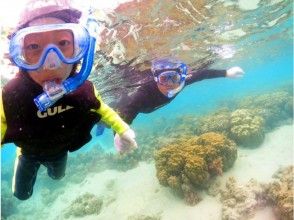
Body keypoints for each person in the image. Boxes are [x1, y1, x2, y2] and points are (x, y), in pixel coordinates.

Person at [0, 0, 137, 201]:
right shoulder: (12, 95)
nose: (51, 63)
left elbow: (102, 109)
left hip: (60, 151)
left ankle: (52, 170)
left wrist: (122, 129)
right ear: (19, 55)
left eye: (63, 43)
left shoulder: (83, 89)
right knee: (21, 195)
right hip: (28, 153)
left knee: (57, 177)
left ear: (81, 48)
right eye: (34, 46)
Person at [111, 57, 245, 124]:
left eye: (174, 78)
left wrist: (227, 73)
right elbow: (129, 110)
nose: (170, 85)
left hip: (147, 108)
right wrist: (120, 133)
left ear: (181, 77)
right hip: (126, 104)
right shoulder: (144, 92)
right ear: (156, 79)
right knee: (110, 117)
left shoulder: (183, 81)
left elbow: (203, 74)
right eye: (164, 79)